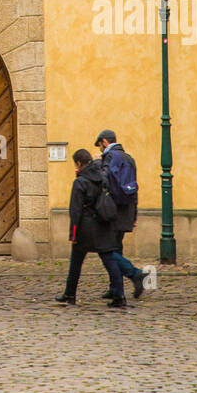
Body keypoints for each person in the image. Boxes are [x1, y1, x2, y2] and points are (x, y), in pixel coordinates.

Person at [56, 148, 126, 308]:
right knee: (109, 261)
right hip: (103, 224)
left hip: (85, 229)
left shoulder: (80, 182)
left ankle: (70, 294)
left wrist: (73, 234)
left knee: (76, 263)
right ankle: (119, 295)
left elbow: (75, 211)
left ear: (79, 163)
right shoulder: (102, 176)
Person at [95, 129, 145, 301]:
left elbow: (105, 181)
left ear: (104, 142)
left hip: (112, 210)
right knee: (116, 247)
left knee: (106, 250)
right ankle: (115, 288)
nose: (101, 149)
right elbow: (134, 188)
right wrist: (135, 214)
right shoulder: (129, 158)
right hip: (127, 209)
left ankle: (135, 274)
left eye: (100, 146)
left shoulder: (110, 158)